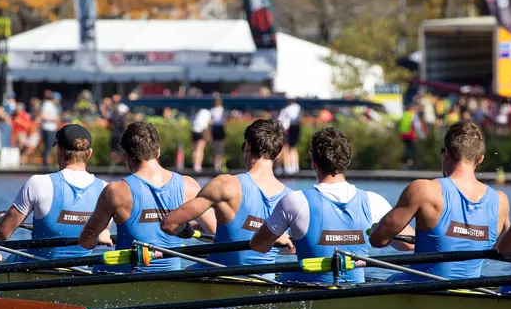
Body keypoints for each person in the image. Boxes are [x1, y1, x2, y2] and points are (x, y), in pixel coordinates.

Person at [250, 127, 414, 284]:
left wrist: (281, 239)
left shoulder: (294, 200)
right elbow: (409, 244)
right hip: (354, 291)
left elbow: (258, 245)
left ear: (314, 162)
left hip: (304, 294)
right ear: (346, 162)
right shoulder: (374, 202)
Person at [371, 120, 509, 281]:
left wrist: (376, 228)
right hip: (471, 291)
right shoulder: (501, 202)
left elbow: (377, 240)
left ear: (447, 154)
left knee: (387, 279)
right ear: (480, 159)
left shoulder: (423, 190)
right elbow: (506, 250)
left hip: (421, 291)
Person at [79, 122, 216, 272]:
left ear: (127, 156)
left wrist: (102, 234)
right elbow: (214, 232)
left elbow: (86, 242)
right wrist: (187, 228)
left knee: (96, 267)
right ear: (158, 151)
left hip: (125, 281)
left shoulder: (115, 191)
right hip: (172, 280)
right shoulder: (188, 185)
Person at [161, 119, 291, 270]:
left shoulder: (225, 185)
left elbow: (169, 224)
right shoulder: (291, 199)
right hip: (263, 281)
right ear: (279, 153)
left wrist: (186, 231)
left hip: (217, 278)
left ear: (247, 146)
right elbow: (292, 249)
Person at [0, 124, 112, 259]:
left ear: (60, 151)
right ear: (89, 153)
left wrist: (0, 219)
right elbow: (103, 230)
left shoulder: (38, 183)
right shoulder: (105, 189)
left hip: (36, 269)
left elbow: (1, 234)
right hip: (81, 269)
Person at [277, 98, 301, 174]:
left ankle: (288, 167)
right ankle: (294, 167)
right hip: (294, 127)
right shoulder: (298, 107)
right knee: (293, 148)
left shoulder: (287, 108)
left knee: (286, 148)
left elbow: (281, 120)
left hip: (288, 129)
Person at [40, 91, 61, 165]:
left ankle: (47, 162)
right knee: (48, 146)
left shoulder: (55, 106)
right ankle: (45, 163)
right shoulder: (47, 104)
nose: (57, 101)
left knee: (51, 145)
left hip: (52, 128)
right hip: (47, 128)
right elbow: (43, 116)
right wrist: (54, 119)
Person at [190, 107, 211, 172]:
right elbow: (209, 122)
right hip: (201, 130)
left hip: (194, 130)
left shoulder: (199, 111)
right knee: (200, 149)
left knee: (195, 149)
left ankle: (194, 164)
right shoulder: (208, 112)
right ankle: (198, 166)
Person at [210, 97, 226, 172]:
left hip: (215, 128)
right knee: (220, 146)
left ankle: (217, 164)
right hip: (219, 127)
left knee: (216, 146)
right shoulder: (222, 109)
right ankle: (218, 164)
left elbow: (211, 120)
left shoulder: (212, 110)